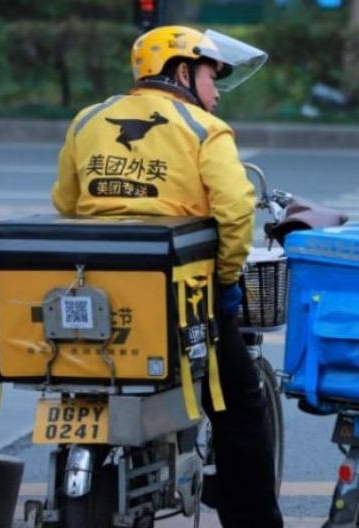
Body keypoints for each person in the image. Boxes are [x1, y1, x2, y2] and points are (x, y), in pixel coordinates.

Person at [51, 25, 283, 528]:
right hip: (181, 302)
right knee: (241, 407)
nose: (217, 91)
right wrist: (224, 282)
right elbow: (236, 210)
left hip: (91, 301)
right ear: (182, 72)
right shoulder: (203, 130)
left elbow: (65, 204)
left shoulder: (88, 120)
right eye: (211, 76)